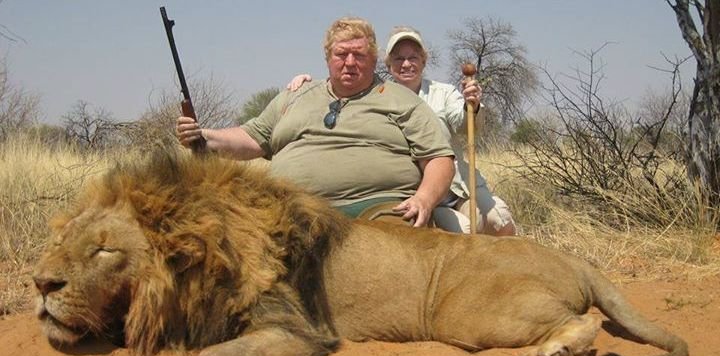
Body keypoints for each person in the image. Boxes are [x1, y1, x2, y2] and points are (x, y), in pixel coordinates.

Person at [176, 18, 455, 227]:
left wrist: (424, 199)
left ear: (373, 60)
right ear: (327, 58)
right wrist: (204, 136)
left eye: (359, 55)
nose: (349, 62)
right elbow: (252, 138)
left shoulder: (402, 99)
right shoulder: (294, 95)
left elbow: (439, 159)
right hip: (291, 211)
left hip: (379, 210)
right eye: (341, 54)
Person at [287, 26, 517, 236]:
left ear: (423, 61)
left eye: (413, 57)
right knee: (464, 232)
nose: (406, 64)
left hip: (460, 186)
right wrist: (305, 84)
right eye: (398, 59)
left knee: (499, 220)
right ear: (388, 65)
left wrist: (472, 105)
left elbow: (466, 125)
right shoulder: (380, 96)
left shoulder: (444, 92)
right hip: (422, 193)